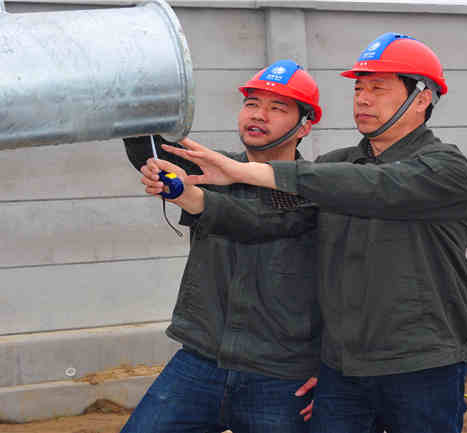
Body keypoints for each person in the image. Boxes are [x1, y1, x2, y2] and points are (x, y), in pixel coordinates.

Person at [159, 32, 467, 433]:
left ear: (422, 98)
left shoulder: (446, 168)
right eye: (358, 89)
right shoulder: (334, 165)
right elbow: (271, 222)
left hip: (421, 366)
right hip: (342, 372)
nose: (362, 100)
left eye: (377, 88)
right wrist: (192, 198)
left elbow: (375, 187)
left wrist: (246, 171)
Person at [119, 59, 323, 433]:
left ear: (305, 125)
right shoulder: (210, 170)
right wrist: (136, 83)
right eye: (252, 104)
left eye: (277, 108)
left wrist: (333, 372)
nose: (258, 115)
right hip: (201, 362)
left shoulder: (318, 190)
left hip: (281, 376)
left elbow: (348, 290)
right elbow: (148, 148)